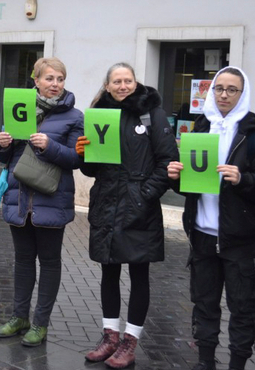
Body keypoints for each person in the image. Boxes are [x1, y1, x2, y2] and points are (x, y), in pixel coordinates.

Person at [166, 67, 255, 370]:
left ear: (242, 94)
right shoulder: (200, 128)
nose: (224, 95)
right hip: (202, 233)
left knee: (243, 307)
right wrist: (175, 177)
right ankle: (205, 361)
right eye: (219, 89)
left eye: (232, 90)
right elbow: (190, 187)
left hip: (239, 237)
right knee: (204, 303)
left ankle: (237, 363)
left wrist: (243, 178)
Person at [76, 62, 178, 368]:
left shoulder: (152, 115)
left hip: (139, 208)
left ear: (135, 83)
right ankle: (110, 337)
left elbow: (167, 162)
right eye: (116, 81)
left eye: (128, 80)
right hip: (106, 204)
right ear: (107, 86)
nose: (123, 85)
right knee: (108, 271)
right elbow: (93, 169)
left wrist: (144, 195)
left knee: (138, 274)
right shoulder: (98, 116)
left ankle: (130, 342)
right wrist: (83, 155)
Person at [0, 58, 83, 345]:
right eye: (49, 79)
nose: (55, 84)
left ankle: (40, 324)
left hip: (52, 199)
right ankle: (20, 317)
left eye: (60, 79)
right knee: (21, 261)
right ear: (36, 81)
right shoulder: (20, 108)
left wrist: (50, 145)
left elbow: (76, 159)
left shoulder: (75, 116)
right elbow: (6, 159)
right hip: (19, 199)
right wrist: (2, 145)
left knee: (50, 263)